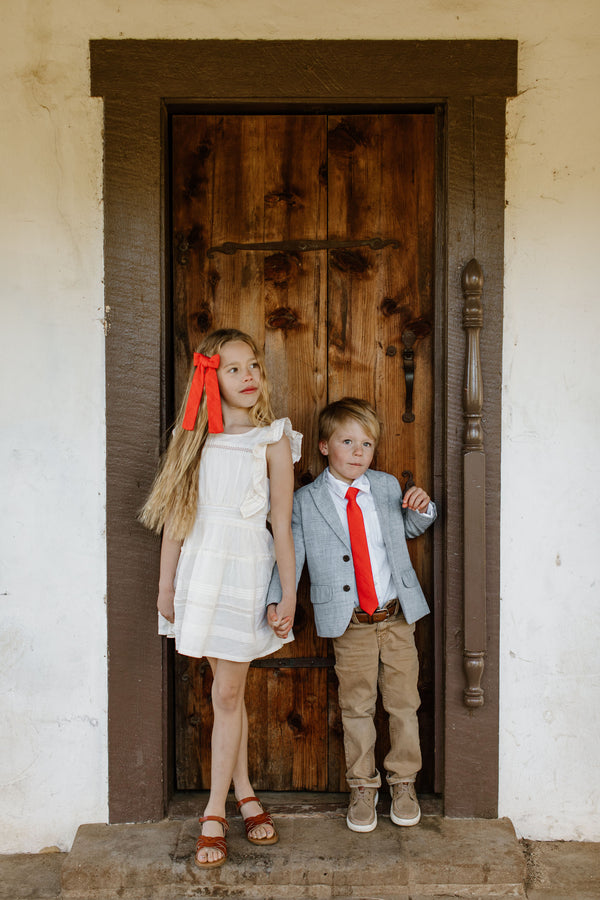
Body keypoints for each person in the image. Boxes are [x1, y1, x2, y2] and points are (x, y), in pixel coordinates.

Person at [140, 328, 301, 868]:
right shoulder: (194, 437)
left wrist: (290, 595)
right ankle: (247, 792)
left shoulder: (273, 437)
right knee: (227, 693)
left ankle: (213, 813)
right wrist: (166, 585)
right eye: (234, 368)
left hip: (245, 573)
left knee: (228, 694)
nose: (249, 376)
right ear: (210, 377)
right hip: (201, 573)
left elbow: (282, 523)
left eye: (253, 365)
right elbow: (176, 521)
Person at [267, 397, 436, 833]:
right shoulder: (306, 501)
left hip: (396, 617)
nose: (359, 452)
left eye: (367, 443)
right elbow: (293, 555)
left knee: (403, 703)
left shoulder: (384, 487)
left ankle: (404, 781)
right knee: (356, 706)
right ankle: (363, 786)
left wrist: (421, 504)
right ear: (324, 446)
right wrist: (279, 599)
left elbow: (413, 526)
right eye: (348, 441)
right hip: (351, 623)